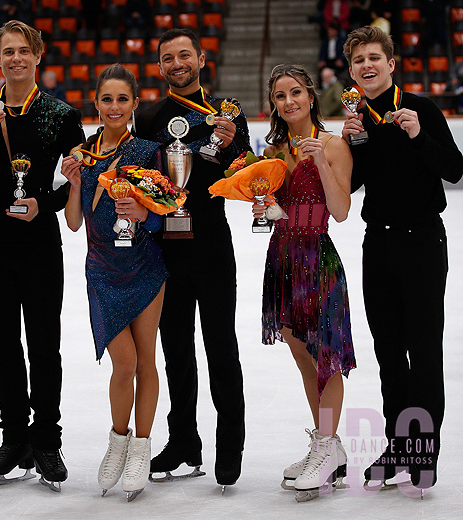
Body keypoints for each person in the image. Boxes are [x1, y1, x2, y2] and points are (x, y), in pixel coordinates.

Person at [341, 25, 463, 491]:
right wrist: (349, 146)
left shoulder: (422, 109)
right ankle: (398, 446)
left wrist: (417, 135)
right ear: (351, 71)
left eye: (374, 58)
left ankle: (422, 452)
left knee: (424, 350)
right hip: (379, 245)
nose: (366, 66)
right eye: (358, 61)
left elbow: (453, 169)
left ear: (392, 64)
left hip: (423, 243)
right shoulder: (358, 119)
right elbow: (350, 189)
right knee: (389, 351)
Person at [0, 20, 84, 492]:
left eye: (24, 51)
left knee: (43, 345)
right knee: (3, 348)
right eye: (7, 51)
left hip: (39, 246)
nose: (16, 58)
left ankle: (47, 440)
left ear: (38, 56)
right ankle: (14, 437)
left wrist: (45, 203)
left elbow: (73, 178)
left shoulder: (61, 114)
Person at [134, 28, 250, 490]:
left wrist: (233, 145)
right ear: (160, 65)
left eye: (185, 55)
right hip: (164, 249)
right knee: (175, 351)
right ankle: (184, 441)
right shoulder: (148, 117)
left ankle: (230, 447)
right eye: (168, 57)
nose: (177, 63)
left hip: (212, 245)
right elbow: (137, 174)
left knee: (221, 347)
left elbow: (246, 174)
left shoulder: (226, 113)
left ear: (202, 59)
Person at [61, 63, 168, 501]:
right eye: (107, 99)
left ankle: (140, 447)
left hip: (144, 265)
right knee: (123, 364)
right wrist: (72, 183)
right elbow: (72, 221)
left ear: (134, 104)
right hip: (101, 270)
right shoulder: (83, 155)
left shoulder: (149, 150)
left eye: (122, 99)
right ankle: (117, 439)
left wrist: (146, 214)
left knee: (146, 362)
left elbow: (166, 215)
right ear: (96, 103)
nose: (114, 106)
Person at [257, 63, 355, 502]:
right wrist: (263, 205)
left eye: (295, 92)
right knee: (301, 355)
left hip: (317, 258)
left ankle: (328, 446)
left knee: (324, 357)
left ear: (311, 96)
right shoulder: (272, 148)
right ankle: (324, 442)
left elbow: (340, 210)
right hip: (281, 257)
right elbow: (265, 205)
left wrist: (318, 159)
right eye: (280, 95)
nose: (289, 101)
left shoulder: (334, 145)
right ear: (274, 104)